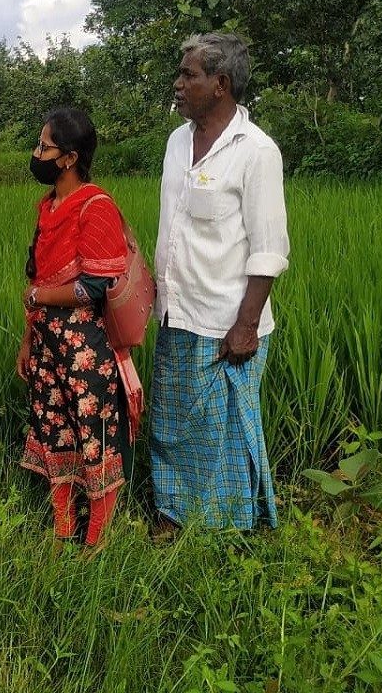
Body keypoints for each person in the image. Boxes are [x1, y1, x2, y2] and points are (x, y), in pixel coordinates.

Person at [149, 33, 290, 531]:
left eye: (189, 75)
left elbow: (269, 248)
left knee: (222, 433)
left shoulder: (256, 152)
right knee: (174, 425)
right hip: (175, 312)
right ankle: (173, 514)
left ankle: (228, 528)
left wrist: (246, 325)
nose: (179, 83)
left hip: (225, 321)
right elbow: (174, 225)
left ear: (220, 84)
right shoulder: (177, 142)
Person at [17, 108, 143, 545]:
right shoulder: (48, 207)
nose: (36, 154)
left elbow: (93, 287)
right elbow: (37, 277)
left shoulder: (96, 207)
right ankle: (63, 529)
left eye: (44, 147)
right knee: (55, 431)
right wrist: (28, 340)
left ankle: (97, 541)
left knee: (95, 437)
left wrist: (39, 299)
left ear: (68, 158)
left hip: (86, 348)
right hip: (49, 346)